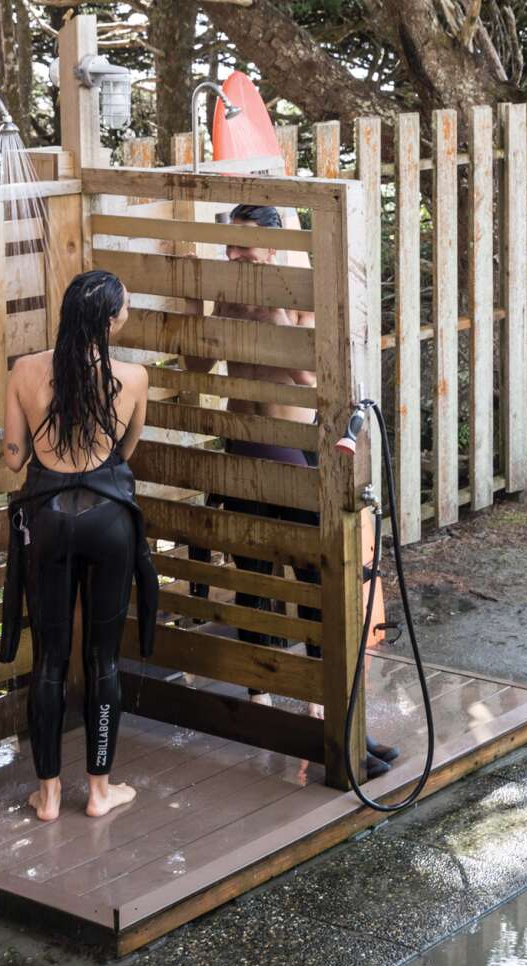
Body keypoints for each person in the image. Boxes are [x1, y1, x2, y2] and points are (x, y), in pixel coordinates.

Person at [186, 203, 399, 778]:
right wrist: (204, 303)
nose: (235, 255)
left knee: (314, 585)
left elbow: (316, 378)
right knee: (253, 580)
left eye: (245, 246)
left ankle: (327, 716)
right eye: (229, 246)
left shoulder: (301, 292)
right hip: (242, 449)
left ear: (273, 249)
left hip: (293, 452)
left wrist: (271, 310)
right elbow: (199, 365)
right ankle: (262, 708)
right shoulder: (227, 291)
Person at [0, 270, 158, 821]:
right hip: (109, 521)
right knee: (103, 660)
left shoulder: (24, 371)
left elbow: (14, 459)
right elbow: (125, 452)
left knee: (48, 661)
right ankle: (99, 791)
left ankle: (47, 796)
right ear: (110, 320)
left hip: (47, 522)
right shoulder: (132, 377)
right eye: (127, 307)